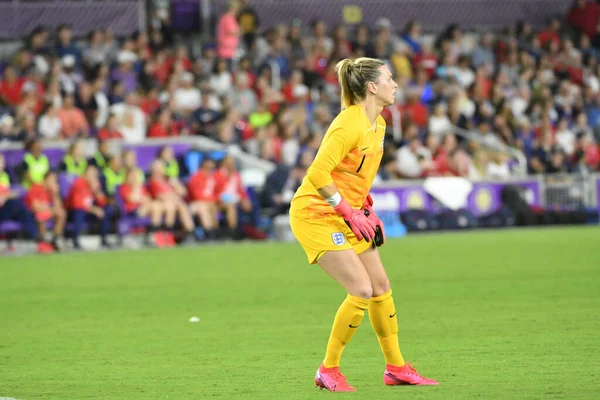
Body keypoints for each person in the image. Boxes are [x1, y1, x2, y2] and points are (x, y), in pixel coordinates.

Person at [289, 57, 438, 392]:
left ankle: (397, 367)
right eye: (389, 78)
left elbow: (354, 174)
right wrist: (348, 210)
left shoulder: (379, 124)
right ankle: (328, 370)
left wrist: (364, 206)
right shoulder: (349, 124)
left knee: (381, 286)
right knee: (361, 289)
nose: (395, 84)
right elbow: (316, 174)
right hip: (315, 214)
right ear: (372, 87)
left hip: (345, 212)